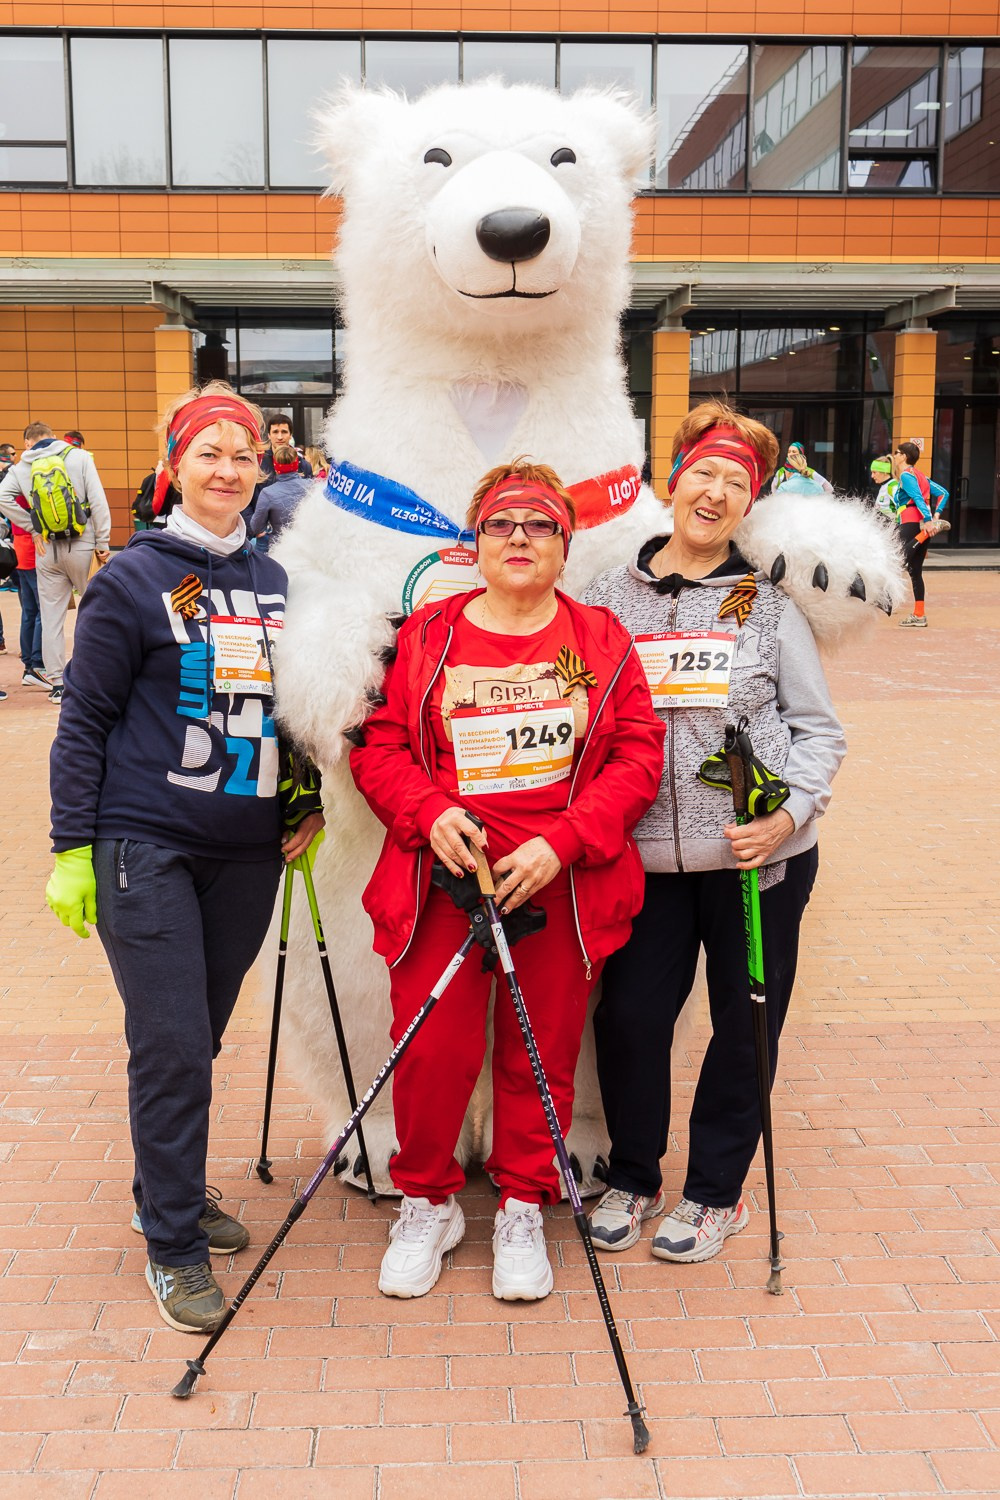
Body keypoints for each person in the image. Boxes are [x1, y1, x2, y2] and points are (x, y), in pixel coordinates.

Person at [43, 380, 324, 1335]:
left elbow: (295, 710)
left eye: (244, 456)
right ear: (175, 466)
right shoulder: (131, 577)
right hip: (144, 843)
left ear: (262, 470)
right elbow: (84, 718)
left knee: (194, 1041)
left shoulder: (279, 582)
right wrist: (70, 848)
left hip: (245, 855)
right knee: (169, 1046)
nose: (228, 470)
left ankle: (164, 1181)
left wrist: (308, 795)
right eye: (210, 453)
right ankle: (171, 1243)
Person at [350, 460, 664, 1303]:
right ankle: (427, 1199)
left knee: (541, 1048)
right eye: (500, 524)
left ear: (566, 545)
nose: (519, 539)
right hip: (443, 881)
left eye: (539, 527)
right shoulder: (427, 635)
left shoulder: (600, 639)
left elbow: (638, 756)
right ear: (476, 540)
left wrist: (566, 841)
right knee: (431, 1047)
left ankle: (524, 1200)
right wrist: (426, 809)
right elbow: (376, 747)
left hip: (555, 884)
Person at [583, 400, 846, 1264]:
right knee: (630, 1017)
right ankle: (633, 1173)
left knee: (745, 1023)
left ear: (750, 503)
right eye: (705, 471)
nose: (717, 491)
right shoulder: (606, 596)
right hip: (643, 856)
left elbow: (819, 732)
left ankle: (715, 1192)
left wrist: (785, 816)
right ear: (674, 480)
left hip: (756, 861)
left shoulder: (765, 601)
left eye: (738, 482)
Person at [0, 422, 112, 704]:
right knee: (95, 610)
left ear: (28, 442)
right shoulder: (79, 457)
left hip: (46, 547)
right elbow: (98, 501)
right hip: (83, 543)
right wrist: (103, 542)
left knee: (51, 617)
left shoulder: (20, 467)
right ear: (52, 437)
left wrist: (33, 526)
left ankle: (58, 683)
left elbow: (2, 497)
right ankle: (96, 674)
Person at [894, 442, 950, 629]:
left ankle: (925, 534)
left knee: (898, 558)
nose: (894, 455)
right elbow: (944, 493)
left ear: (904, 457)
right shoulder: (920, 476)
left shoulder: (906, 475)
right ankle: (919, 615)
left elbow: (917, 497)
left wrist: (928, 521)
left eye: (897, 452)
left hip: (911, 521)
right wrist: (935, 515)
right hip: (921, 522)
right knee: (914, 570)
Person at [248, 444, 311, 551]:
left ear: (275, 466)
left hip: (279, 548)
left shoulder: (268, 493)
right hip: (308, 544)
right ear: (296, 463)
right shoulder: (311, 486)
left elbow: (256, 527)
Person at [260, 414, 312, 480]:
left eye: (284, 432)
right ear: (269, 435)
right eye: (275, 432)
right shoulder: (260, 462)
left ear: (290, 435)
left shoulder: (304, 465)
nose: (280, 437)